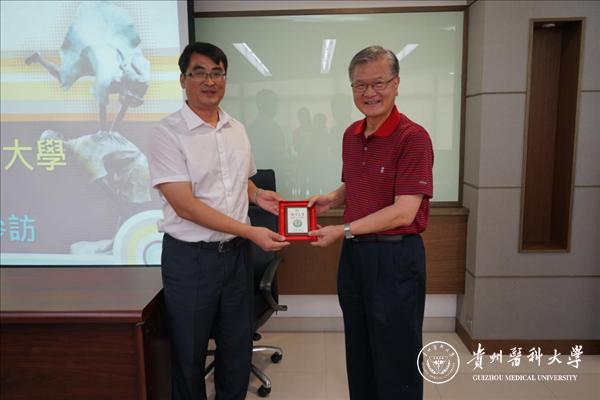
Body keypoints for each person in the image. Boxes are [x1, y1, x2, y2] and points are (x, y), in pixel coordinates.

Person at [148, 42, 289, 400]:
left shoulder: (235, 128)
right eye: (200, 73)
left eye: (217, 73)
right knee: (188, 355)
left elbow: (240, 180)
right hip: (191, 260)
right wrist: (250, 231)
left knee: (236, 350)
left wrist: (258, 195)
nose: (209, 81)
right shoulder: (167, 133)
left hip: (237, 257)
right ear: (183, 79)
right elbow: (186, 206)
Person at [307, 45, 434, 400]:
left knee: (397, 358)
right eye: (360, 85)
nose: (370, 93)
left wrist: (343, 229)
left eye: (379, 83)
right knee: (359, 351)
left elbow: (403, 211)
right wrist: (333, 198)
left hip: (395, 259)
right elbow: (358, 182)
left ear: (396, 84)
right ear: (352, 88)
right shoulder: (351, 134)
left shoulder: (413, 137)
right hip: (355, 257)